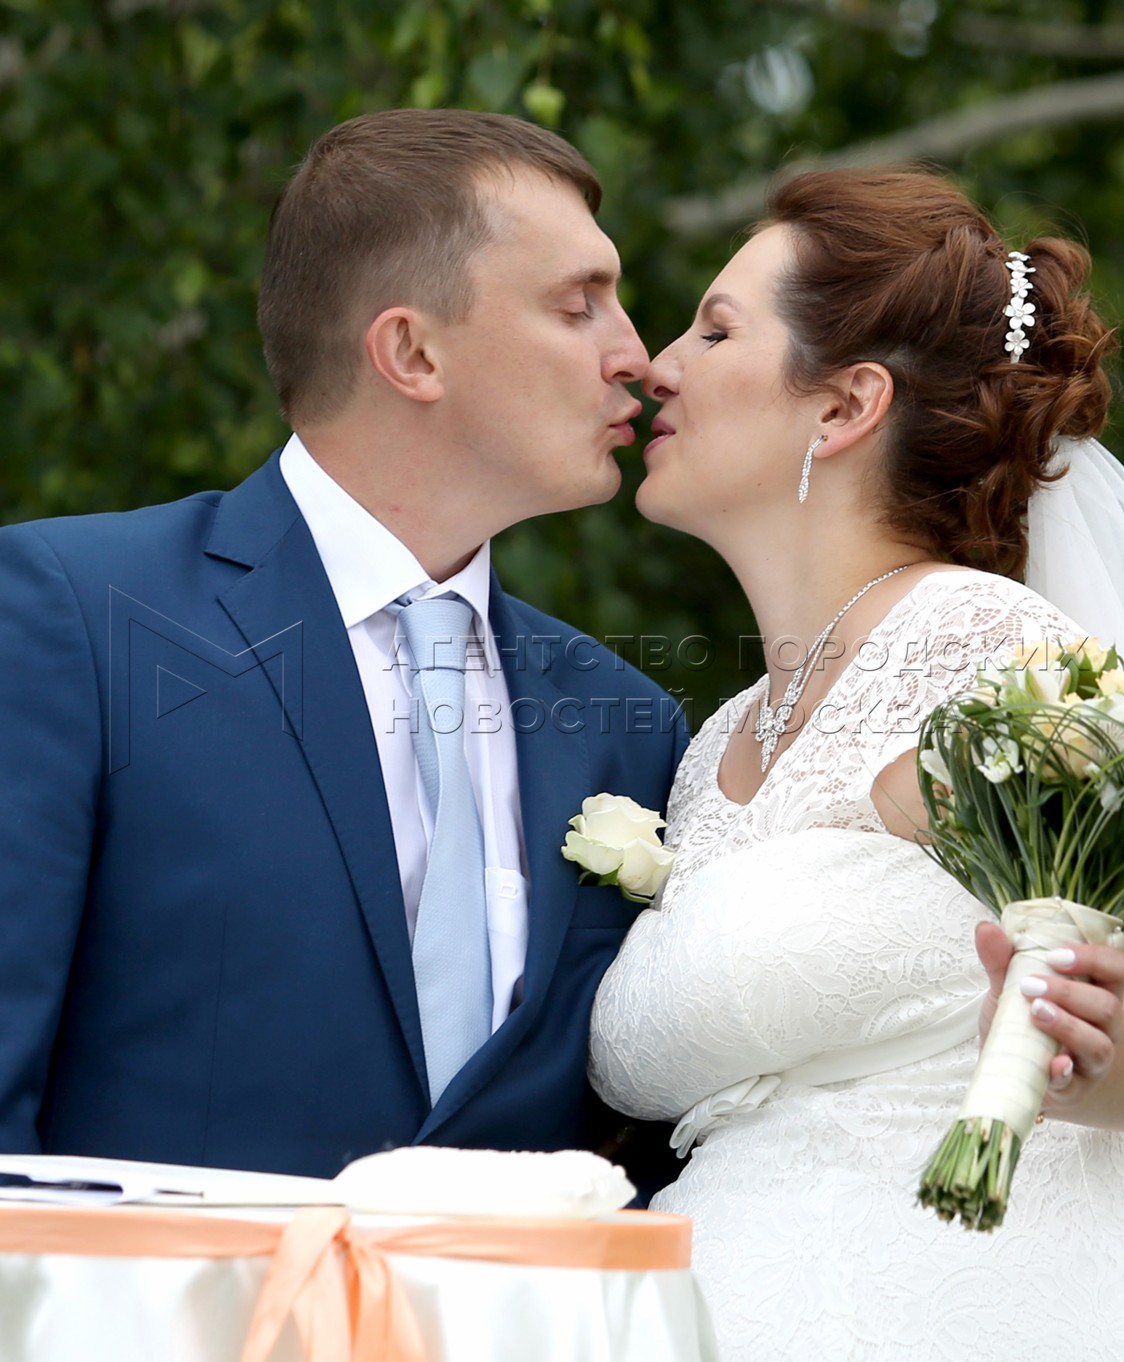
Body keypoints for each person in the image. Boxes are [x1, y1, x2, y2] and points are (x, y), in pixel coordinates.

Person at [0, 109, 686, 1180]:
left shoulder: (631, 725)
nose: (636, 356)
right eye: (578, 304)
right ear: (411, 351)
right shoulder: (77, 616)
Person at [588, 167, 1124, 1359]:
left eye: (715, 330)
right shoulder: (717, 744)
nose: (659, 364)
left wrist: (1093, 1041)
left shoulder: (980, 652)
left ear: (843, 406)